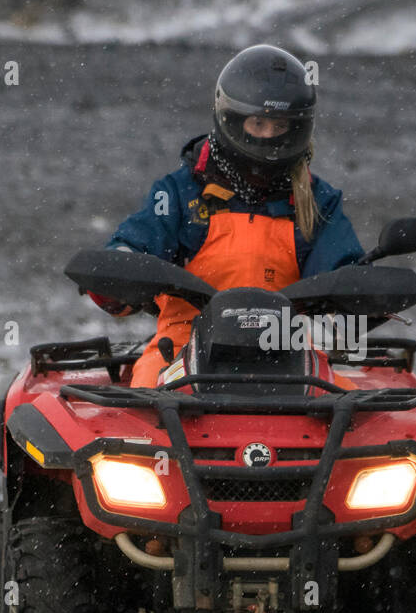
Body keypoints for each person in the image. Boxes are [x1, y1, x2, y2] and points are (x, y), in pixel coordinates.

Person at [95, 44, 364, 386]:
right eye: (258, 123)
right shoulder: (179, 193)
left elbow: (343, 276)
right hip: (181, 350)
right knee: (144, 411)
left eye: (279, 127)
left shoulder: (317, 201)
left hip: (288, 352)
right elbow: (137, 244)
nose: (268, 136)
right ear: (231, 119)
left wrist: (365, 296)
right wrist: (115, 273)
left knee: (361, 421)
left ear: (298, 129)